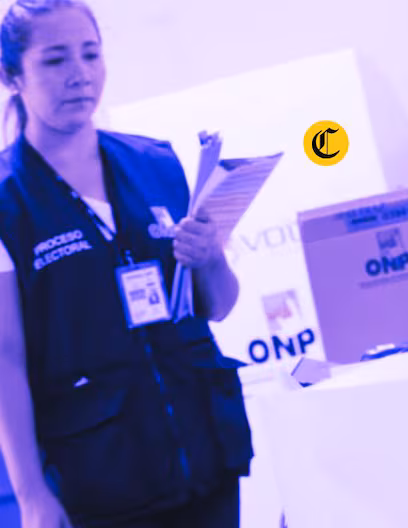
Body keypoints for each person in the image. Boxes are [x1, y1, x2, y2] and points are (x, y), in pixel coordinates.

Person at [0, 1, 253, 527]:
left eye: (91, 54)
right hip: (103, 478)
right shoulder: (7, 200)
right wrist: (31, 495)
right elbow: (7, 360)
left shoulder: (155, 163)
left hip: (207, 454)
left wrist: (210, 259)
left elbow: (219, 306)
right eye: (55, 60)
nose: (80, 74)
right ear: (11, 76)